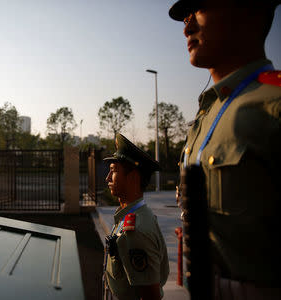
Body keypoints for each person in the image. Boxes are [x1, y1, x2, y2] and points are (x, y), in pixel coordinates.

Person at [169, 0, 281, 298]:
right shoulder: (207, 113)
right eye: (185, 17)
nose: (187, 27)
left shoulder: (273, 106)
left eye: (200, 7)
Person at [102, 133, 169, 300]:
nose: (107, 178)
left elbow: (150, 296)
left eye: (113, 171)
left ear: (132, 178)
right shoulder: (131, 216)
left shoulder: (136, 231)